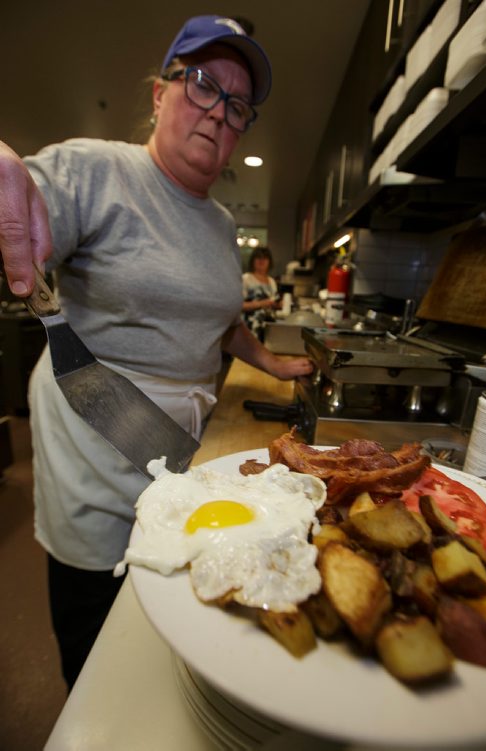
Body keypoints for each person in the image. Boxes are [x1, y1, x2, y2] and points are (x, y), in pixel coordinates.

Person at [0, 14, 313, 690]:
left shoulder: (222, 222)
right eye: (203, 85)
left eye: (237, 106)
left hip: (181, 460)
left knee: (173, 631)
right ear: (160, 92)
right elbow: (25, 200)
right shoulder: (95, 169)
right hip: (97, 444)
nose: (217, 113)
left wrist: (277, 364)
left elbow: (220, 319)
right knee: (100, 648)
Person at [242, 246, 280, 340]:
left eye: (265, 258)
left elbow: (272, 302)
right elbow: (238, 305)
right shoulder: (246, 278)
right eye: (258, 257)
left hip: (268, 328)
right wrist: (261, 303)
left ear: (269, 261)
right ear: (253, 261)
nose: (261, 260)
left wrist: (277, 305)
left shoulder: (272, 281)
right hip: (249, 328)